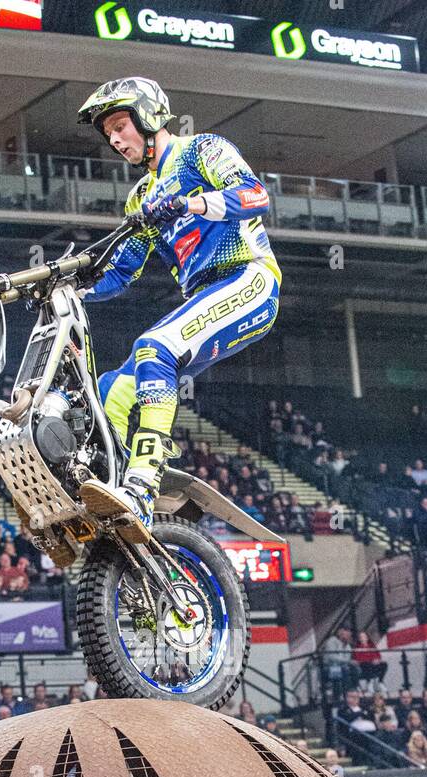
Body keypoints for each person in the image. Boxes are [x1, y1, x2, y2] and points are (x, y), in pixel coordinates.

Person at [75, 77, 281, 538]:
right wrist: (74, 289)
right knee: (111, 390)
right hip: (205, 299)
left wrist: (191, 202)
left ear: (148, 116)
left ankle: (144, 480)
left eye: (120, 125)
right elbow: (121, 275)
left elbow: (255, 196)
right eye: (107, 134)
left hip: (248, 279)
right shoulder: (139, 198)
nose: (114, 139)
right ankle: (116, 498)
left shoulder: (201, 150)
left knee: (153, 348)